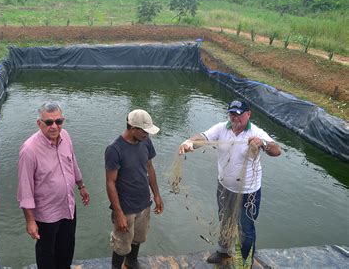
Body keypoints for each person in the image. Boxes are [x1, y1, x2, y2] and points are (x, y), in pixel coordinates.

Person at [179, 98, 281, 265]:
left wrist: (262, 143)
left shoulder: (256, 132)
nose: (235, 118)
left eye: (239, 115)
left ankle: (245, 262)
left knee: (246, 229)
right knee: (225, 220)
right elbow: (203, 137)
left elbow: (276, 150)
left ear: (248, 114)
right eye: (232, 114)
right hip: (224, 187)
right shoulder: (221, 128)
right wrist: (189, 142)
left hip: (249, 192)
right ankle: (223, 252)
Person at [17, 101, 90, 269]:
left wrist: (81, 185)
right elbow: (25, 190)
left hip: (67, 205)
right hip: (46, 213)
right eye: (49, 122)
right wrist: (30, 221)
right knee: (46, 254)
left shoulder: (66, 136)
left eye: (59, 121)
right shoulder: (29, 150)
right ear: (39, 123)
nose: (54, 126)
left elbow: (73, 163)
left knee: (67, 247)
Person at [105, 109, 164, 269]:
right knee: (121, 243)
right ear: (133, 129)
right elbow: (110, 182)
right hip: (126, 207)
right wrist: (119, 214)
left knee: (138, 237)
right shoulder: (114, 149)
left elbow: (149, 167)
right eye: (144, 132)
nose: (147, 135)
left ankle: (131, 262)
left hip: (144, 203)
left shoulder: (145, 141)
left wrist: (157, 195)